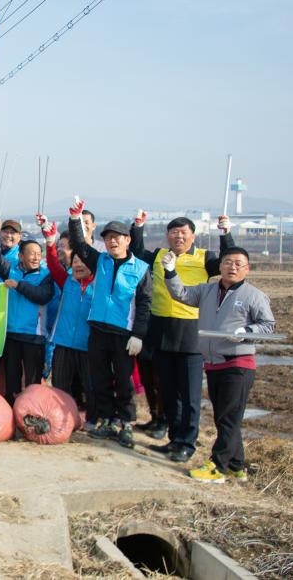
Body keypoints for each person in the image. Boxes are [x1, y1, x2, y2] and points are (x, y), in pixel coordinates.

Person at [163, 246, 275, 483]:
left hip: (238, 363)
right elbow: (181, 294)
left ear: (247, 269)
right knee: (225, 417)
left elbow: (267, 325)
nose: (232, 267)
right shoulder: (207, 290)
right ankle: (237, 465)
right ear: (220, 266)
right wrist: (170, 271)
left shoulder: (253, 295)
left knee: (228, 418)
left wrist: (246, 331)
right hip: (213, 364)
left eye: (238, 263)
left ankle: (218, 466)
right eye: (227, 262)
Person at [130, 211, 235, 462]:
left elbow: (227, 259)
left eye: (183, 233)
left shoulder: (205, 258)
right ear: (167, 236)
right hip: (162, 331)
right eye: (174, 233)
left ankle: (188, 442)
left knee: (189, 395)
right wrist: (138, 227)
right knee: (168, 391)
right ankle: (174, 439)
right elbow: (135, 251)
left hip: (190, 331)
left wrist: (226, 234)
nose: (178, 237)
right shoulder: (159, 256)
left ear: (193, 236)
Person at [68, 197, 152, 449]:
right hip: (98, 329)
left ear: (128, 240)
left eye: (118, 237)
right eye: (108, 238)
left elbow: (145, 304)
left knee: (124, 380)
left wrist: (138, 335)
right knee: (101, 378)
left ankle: (125, 422)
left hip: (124, 334)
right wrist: (75, 219)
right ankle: (106, 420)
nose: (112, 241)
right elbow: (79, 245)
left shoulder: (140, 268)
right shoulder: (101, 261)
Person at [0, 219, 56, 403]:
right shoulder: (11, 271)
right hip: (10, 334)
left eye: (38, 254)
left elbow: (42, 296)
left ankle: (32, 412)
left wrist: (19, 286)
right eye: (31, 253)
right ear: (21, 256)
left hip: (34, 337)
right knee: (11, 380)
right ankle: (11, 410)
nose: (35, 257)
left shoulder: (46, 275)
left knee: (33, 382)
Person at [42, 219, 96, 426]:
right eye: (75, 262)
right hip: (63, 342)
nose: (79, 264)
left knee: (89, 385)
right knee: (60, 385)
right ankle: (60, 420)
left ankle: (92, 418)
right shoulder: (67, 282)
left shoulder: (98, 285)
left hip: (87, 344)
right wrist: (49, 243)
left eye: (83, 262)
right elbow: (54, 264)